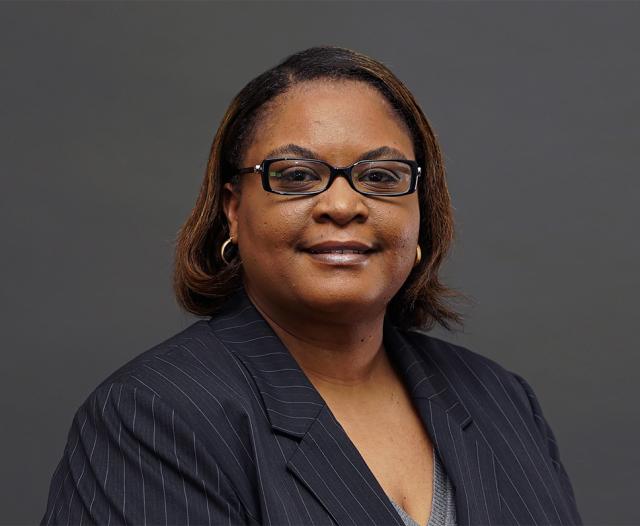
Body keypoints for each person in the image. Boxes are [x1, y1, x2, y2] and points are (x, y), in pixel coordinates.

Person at [41, 46, 582, 526]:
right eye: (296, 175)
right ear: (233, 211)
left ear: (422, 210)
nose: (343, 205)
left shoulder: (501, 400)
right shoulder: (152, 415)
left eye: (381, 177)